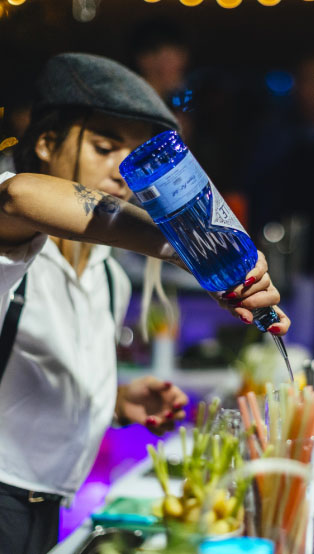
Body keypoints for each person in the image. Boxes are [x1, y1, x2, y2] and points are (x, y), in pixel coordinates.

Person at [0, 52, 289, 554]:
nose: (121, 172)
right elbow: (19, 196)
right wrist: (186, 244)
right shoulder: (17, 247)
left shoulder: (111, 276)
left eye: (133, 158)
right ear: (45, 143)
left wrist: (115, 403)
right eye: (105, 146)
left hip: (46, 507)